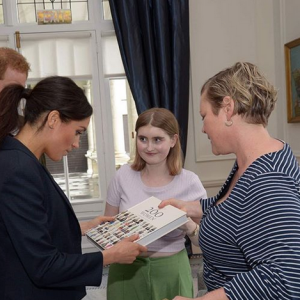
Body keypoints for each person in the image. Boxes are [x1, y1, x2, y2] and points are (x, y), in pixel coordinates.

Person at [159, 62, 300, 300]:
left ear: (227, 109)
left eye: (204, 116)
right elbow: (236, 206)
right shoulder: (253, 158)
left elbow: (286, 276)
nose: (203, 128)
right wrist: (190, 207)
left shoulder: (268, 181)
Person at [0, 76, 147, 300]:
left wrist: (80, 227)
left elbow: (25, 230)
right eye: (78, 131)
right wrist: (110, 256)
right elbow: (44, 266)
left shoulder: (23, 160)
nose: (77, 144)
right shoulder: (18, 167)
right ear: (54, 119)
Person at [104, 107, 207, 300]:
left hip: (172, 271)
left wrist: (187, 224)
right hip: (126, 272)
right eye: (143, 139)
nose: (149, 147)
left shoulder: (190, 182)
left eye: (157, 139)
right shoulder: (122, 177)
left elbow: (203, 241)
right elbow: (108, 227)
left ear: (173, 140)